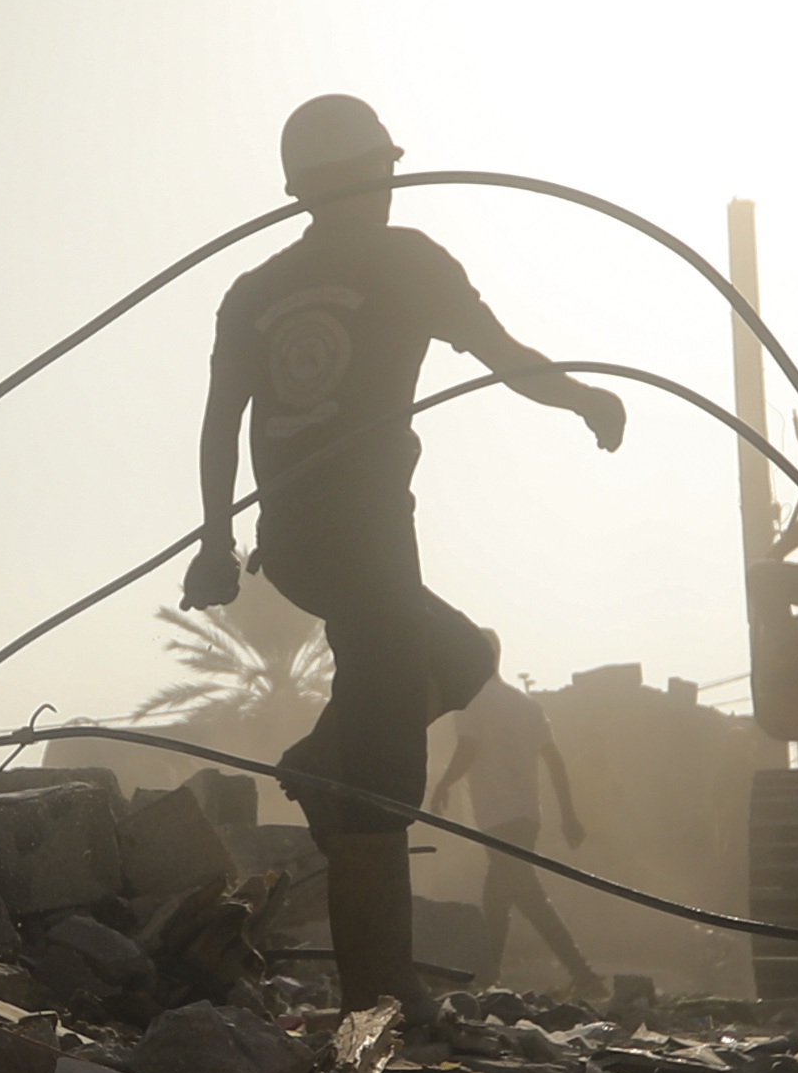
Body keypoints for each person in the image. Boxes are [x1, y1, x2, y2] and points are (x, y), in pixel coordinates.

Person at [183, 93, 627, 1008]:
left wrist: (219, 544)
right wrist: (583, 398)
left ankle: (320, 757)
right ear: (384, 170)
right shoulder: (408, 260)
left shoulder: (254, 292)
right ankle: (380, 1007)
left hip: (297, 547)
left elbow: (220, 427)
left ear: (299, 187)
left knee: (467, 655)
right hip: (372, 542)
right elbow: (506, 357)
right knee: (383, 776)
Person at [438, 669, 604, 997]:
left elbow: (467, 748)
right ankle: (488, 979)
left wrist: (444, 783)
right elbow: (554, 760)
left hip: (498, 816)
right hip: (528, 815)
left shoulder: (472, 699)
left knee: (529, 897)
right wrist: (567, 813)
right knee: (497, 900)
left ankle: (584, 976)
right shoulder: (527, 704)